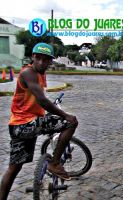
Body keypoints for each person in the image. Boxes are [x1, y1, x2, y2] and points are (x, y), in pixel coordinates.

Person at [0, 43, 78, 200]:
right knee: (72, 122)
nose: (42, 62)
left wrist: (46, 111)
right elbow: (42, 100)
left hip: (18, 125)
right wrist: (64, 115)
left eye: (46, 59)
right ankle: (55, 163)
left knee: (14, 168)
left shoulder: (40, 73)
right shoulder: (29, 73)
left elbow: (37, 101)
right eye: (38, 58)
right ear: (32, 58)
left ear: (51, 61)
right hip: (27, 124)